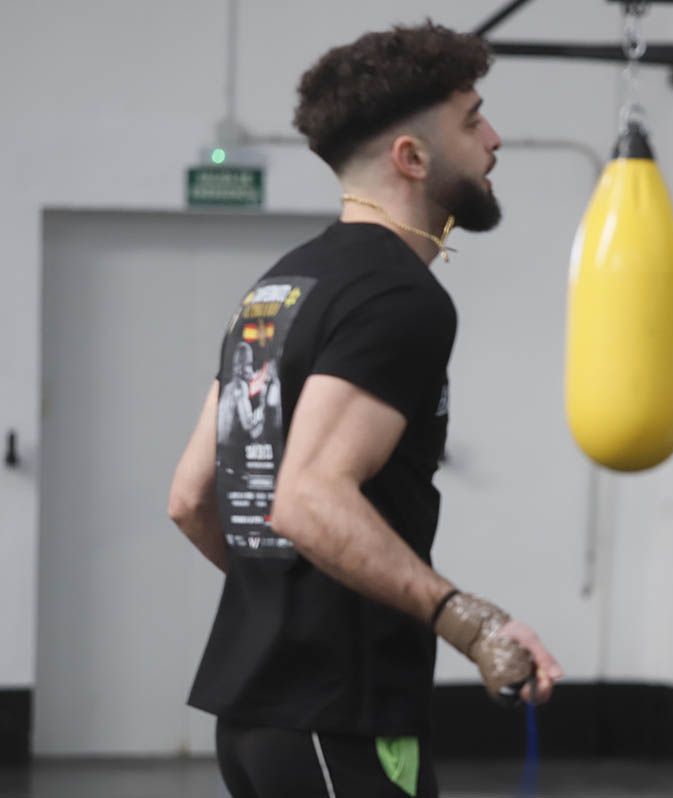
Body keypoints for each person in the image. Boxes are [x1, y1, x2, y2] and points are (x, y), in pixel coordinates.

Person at [167, 22, 562, 798]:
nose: (495, 139)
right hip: (339, 719)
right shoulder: (400, 297)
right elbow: (308, 495)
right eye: (472, 118)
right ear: (411, 158)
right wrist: (470, 622)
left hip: (259, 719)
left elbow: (189, 498)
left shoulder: (279, 286)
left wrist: (290, 605)